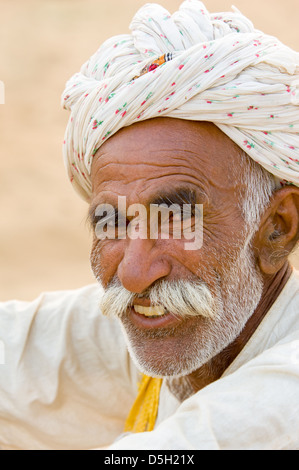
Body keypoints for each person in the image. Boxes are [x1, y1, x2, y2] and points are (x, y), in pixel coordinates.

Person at [0, 0, 298, 450]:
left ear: (277, 226)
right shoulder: (170, 323)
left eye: (177, 220)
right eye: (111, 221)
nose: (134, 273)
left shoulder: (284, 399)